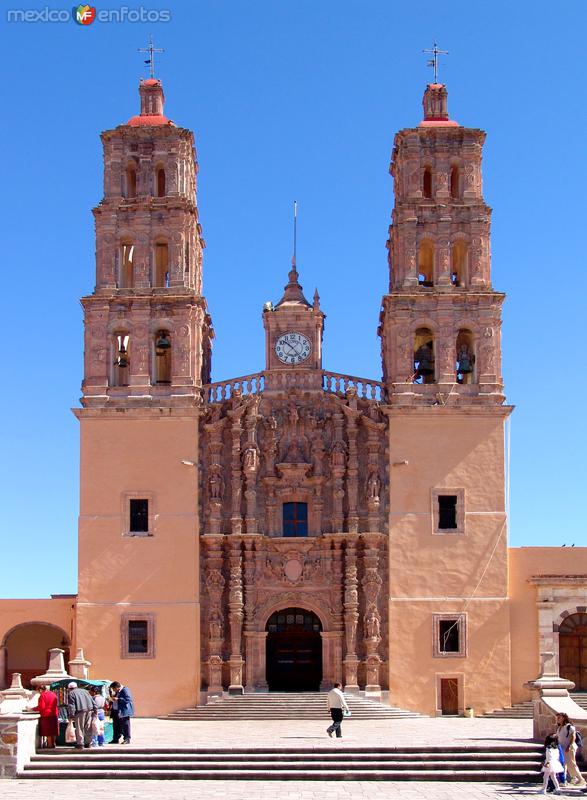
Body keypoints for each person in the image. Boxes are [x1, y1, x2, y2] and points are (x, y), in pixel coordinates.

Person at [556, 713, 586, 787]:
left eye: (559, 717)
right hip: (562, 748)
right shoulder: (560, 727)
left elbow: (573, 736)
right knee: (564, 764)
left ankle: (581, 779)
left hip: (568, 748)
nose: (557, 719)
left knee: (572, 764)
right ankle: (564, 780)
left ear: (563, 718)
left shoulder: (569, 727)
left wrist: (569, 746)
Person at [67, 681, 94, 749]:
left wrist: (71, 715)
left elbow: (71, 705)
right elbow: (92, 700)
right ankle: (88, 743)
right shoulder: (85, 691)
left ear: (70, 688)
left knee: (79, 728)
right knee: (88, 727)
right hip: (89, 709)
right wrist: (95, 709)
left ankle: (80, 744)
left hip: (80, 711)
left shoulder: (71, 693)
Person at [33, 684, 59, 749]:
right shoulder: (53, 694)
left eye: (39, 691)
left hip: (46, 715)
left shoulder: (42, 696)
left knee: (48, 731)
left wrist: (33, 709)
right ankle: (53, 743)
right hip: (54, 713)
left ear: (41, 690)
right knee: (53, 730)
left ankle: (50, 745)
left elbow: (42, 707)